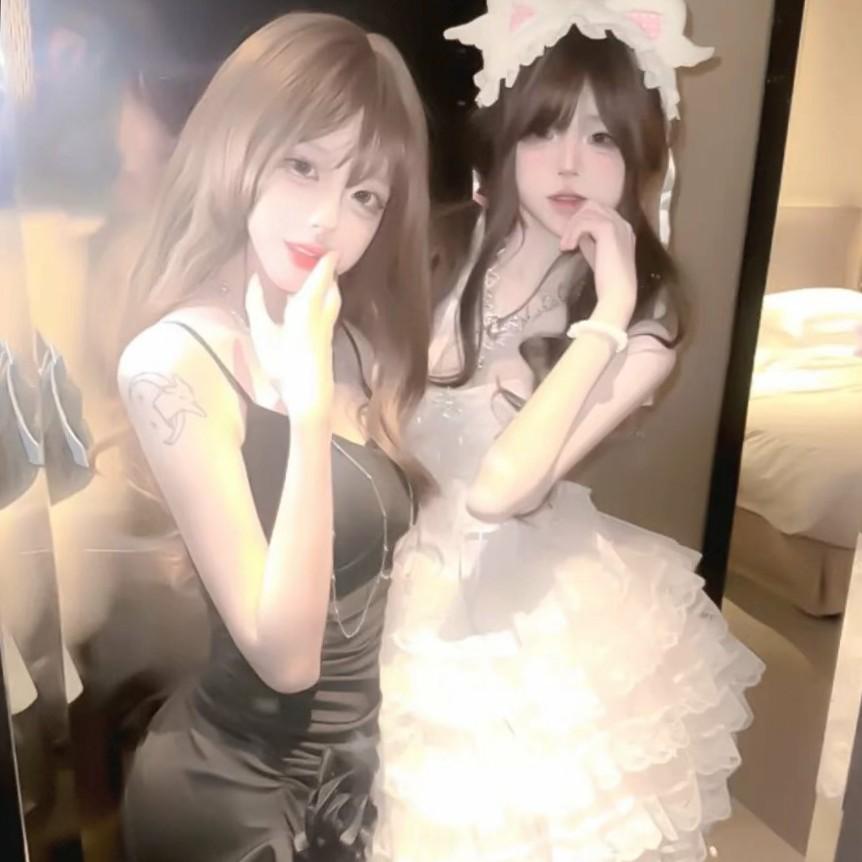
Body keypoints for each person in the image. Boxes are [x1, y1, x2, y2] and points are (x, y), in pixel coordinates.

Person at [372, 2, 764, 860]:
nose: (570, 165)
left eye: (602, 138)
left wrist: (609, 312)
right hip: (378, 569)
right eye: (545, 130)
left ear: (641, 157)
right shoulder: (439, 245)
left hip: (511, 619)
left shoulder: (645, 325)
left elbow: (502, 490)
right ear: (507, 138)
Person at [117, 13, 432, 861]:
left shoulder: (341, 332)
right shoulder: (172, 362)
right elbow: (286, 659)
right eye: (303, 165)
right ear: (239, 147)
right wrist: (306, 408)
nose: (327, 219)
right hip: (235, 804)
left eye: (365, 195)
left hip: (347, 789)